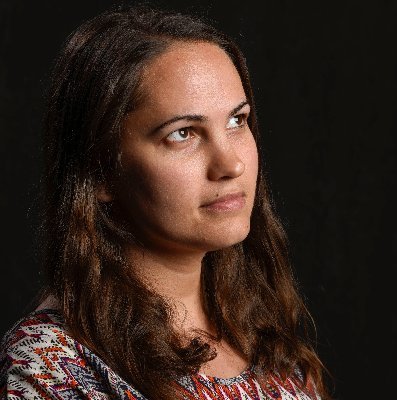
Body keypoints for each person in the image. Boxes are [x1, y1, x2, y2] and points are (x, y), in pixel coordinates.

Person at [0, 5, 329, 400]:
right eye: (183, 133)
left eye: (236, 121)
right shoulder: (52, 366)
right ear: (101, 171)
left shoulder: (262, 338)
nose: (232, 164)